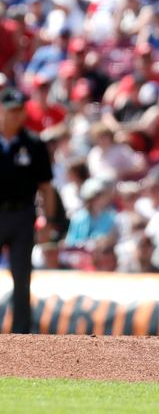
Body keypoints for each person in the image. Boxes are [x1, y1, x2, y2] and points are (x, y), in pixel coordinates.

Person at [0, 87, 56, 333]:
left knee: (22, 277)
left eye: (20, 110)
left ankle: (21, 335)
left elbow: (46, 187)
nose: (17, 115)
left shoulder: (34, 143)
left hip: (23, 215)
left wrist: (48, 220)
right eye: (12, 110)